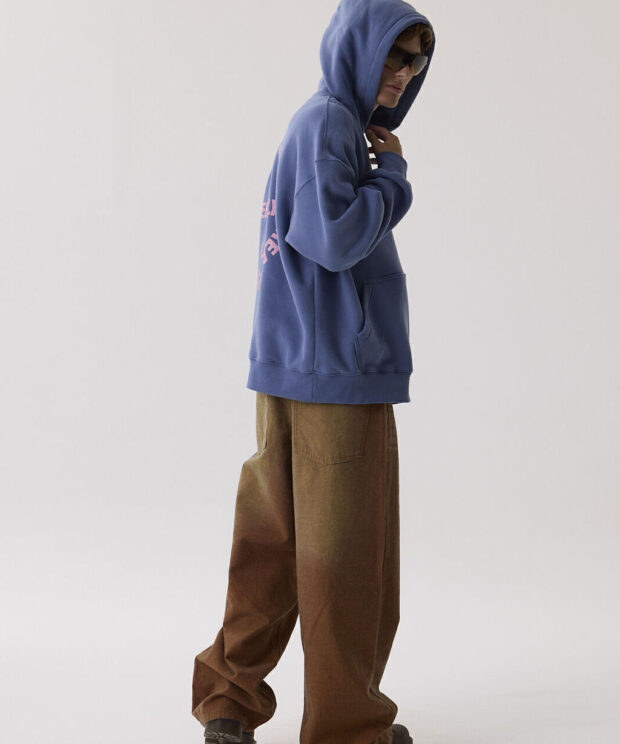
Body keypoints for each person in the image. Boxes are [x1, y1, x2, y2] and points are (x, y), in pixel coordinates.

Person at [192, 1, 436, 742]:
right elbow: (332, 239)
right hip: (338, 374)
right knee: (347, 561)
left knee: (271, 546)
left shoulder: (314, 123)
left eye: (416, 60)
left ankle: (229, 700)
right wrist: (394, 179)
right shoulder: (333, 125)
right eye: (394, 54)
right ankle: (347, 728)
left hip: (290, 366)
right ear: (357, 47)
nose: (404, 73)